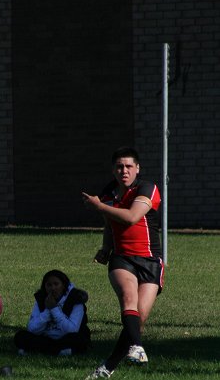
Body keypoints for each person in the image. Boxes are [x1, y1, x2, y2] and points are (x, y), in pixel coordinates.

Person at [82, 147, 164, 379]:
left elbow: (130, 217)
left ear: (137, 168)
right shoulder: (107, 194)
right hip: (122, 258)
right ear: (113, 170)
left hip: (150, 260)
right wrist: (106, 248)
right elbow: (110, 224)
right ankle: (137, 348)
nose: (124, 170)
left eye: (129, 166)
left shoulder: (147, 188)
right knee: (129, 297)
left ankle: (107, 366)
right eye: (119, 166)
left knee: (138, 320)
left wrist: (98, 206)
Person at [14, 269, 91, 356]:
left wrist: (54, 309)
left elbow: (71, 330)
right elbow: (32, 329)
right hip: (46, 338)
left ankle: (38, 350)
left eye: (56, 284)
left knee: (79, 339)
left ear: (63, 285)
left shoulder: (76, 299)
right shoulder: (41, 298)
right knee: (20, 336)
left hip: (66, 338)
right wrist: (47, 311)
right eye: (49, 285)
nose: (53, 288)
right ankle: (59, 351)